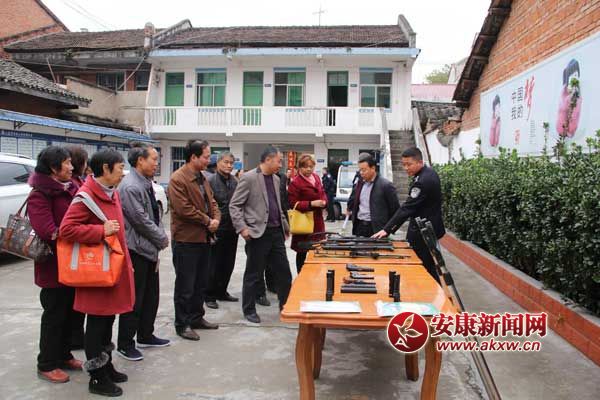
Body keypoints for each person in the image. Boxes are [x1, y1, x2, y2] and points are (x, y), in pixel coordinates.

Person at [59, 149, 135, 397]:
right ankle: (97, 377)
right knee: (96, 323)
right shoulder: (86, 196)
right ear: (105, 168)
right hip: (96, 273)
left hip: (112, 269)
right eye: (120, 168)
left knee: (108, 320)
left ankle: (107, 365)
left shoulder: (111, 193)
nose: (123, 173)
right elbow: (67, 229)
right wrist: (100, 231)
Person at [28, 146, 83, 384]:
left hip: (73, 264)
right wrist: (78, 233)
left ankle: (64, 355)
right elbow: (46, 230)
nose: (71, 167)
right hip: (53, 267)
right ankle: (47, 363)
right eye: (67, 163)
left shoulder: (69, 187)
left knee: (71, 314)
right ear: (53, 168)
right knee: (54, 316)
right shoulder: (39, 195)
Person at [116, 143, 170, 361]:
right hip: (136, 249)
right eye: (154, 159)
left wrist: (158, 238)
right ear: (140, 161)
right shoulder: (130, 186)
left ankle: (146, 334)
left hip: (149, 248)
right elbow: (140, 220)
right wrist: (161, 238)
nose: (156, 164)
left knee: (150, 296)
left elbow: (155, 215)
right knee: (134, 299)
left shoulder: (145, 183)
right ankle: (125, 343)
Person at [229, 146, 292, 324]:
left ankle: (285, 307)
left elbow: (277, 206)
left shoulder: (277, 179)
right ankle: (249, 310)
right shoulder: (249, 178)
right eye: (279, 161)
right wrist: (242, 228)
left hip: (276, 233)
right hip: (258, 234)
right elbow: (235, 205)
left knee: (284, 273)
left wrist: (285, 226)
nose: (280, 164)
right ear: (268, 160)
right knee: (253, 274)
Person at [168, 140, 220, 341]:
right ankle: (182, 324)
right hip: (186, 240)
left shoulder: (202, 177)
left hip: (204, 238)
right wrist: (208, 221)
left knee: (200, 283)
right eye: (206, 157)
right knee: (185, 285)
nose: (209, 160)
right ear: (193, 157)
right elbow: (183, 209)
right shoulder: (178, 179)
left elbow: (212, 201)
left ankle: (197, 317)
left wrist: (216, 219)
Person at [372, 147, 446, 282]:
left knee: (422, 267)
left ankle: (431, 291)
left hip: (423, 232)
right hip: (429, 227)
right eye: (404, 164)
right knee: (428, 266)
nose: (406, 168)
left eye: (409, 164)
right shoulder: (428, 173)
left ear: (420, 162)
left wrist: (387, 229)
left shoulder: (422, 181)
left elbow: (407, 208)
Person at [205, 151, 239, 309]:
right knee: (214, 263)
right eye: (226, 162)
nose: (229, 166)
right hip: (217, 228)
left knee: (228, 262)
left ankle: (222, 291)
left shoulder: (235, 181)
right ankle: (209, 295)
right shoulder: (210, 181)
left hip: (232, 228)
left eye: (231, 163)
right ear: (218, 163)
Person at [64, 145, 88, 351]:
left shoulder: (78, 183)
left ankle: (76, 337)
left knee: (77, 301)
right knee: (63, 307)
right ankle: (72, 339)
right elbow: (66, 227)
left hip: (77, 252)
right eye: (66, 163)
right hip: (66, 254)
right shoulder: (70, 187)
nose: (70, 167)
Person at [288, 154, 327, 273]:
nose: (309, 169)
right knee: (302, 252)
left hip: (317, 221)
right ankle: (301, 275)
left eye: (311, 166)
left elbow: (322, 192)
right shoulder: (295, 182)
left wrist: (324, 201)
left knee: (317, 250)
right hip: (303, 222)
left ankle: (315, 275)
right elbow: (293, 203)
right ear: (299, 168)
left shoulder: (316, 177)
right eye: (305, 167)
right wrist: (311, 204)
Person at [347, 153, 399, 237]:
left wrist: (388, 229)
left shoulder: (386, 185)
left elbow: (395, 210)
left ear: (373, 168)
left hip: (376, 229)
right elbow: (353, 200)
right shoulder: (359, 184)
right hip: (359, 227)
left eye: (364, 170)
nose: (361, 173)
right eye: (360, 170)